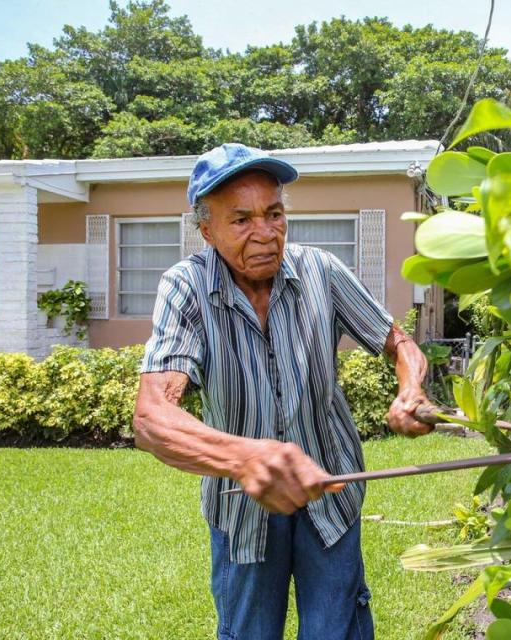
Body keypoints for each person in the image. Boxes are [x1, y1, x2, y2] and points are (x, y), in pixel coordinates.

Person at [132, 143, 433, 640]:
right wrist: (247, 458)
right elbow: (150, 418)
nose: (265, 233)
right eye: (242, 219)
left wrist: (410, 387)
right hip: (242, 504)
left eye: (274, 213)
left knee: (334, 631)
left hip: (331, 490)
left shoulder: (321, 271)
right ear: (206, 230)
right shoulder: (186, 288)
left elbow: (396, 340)